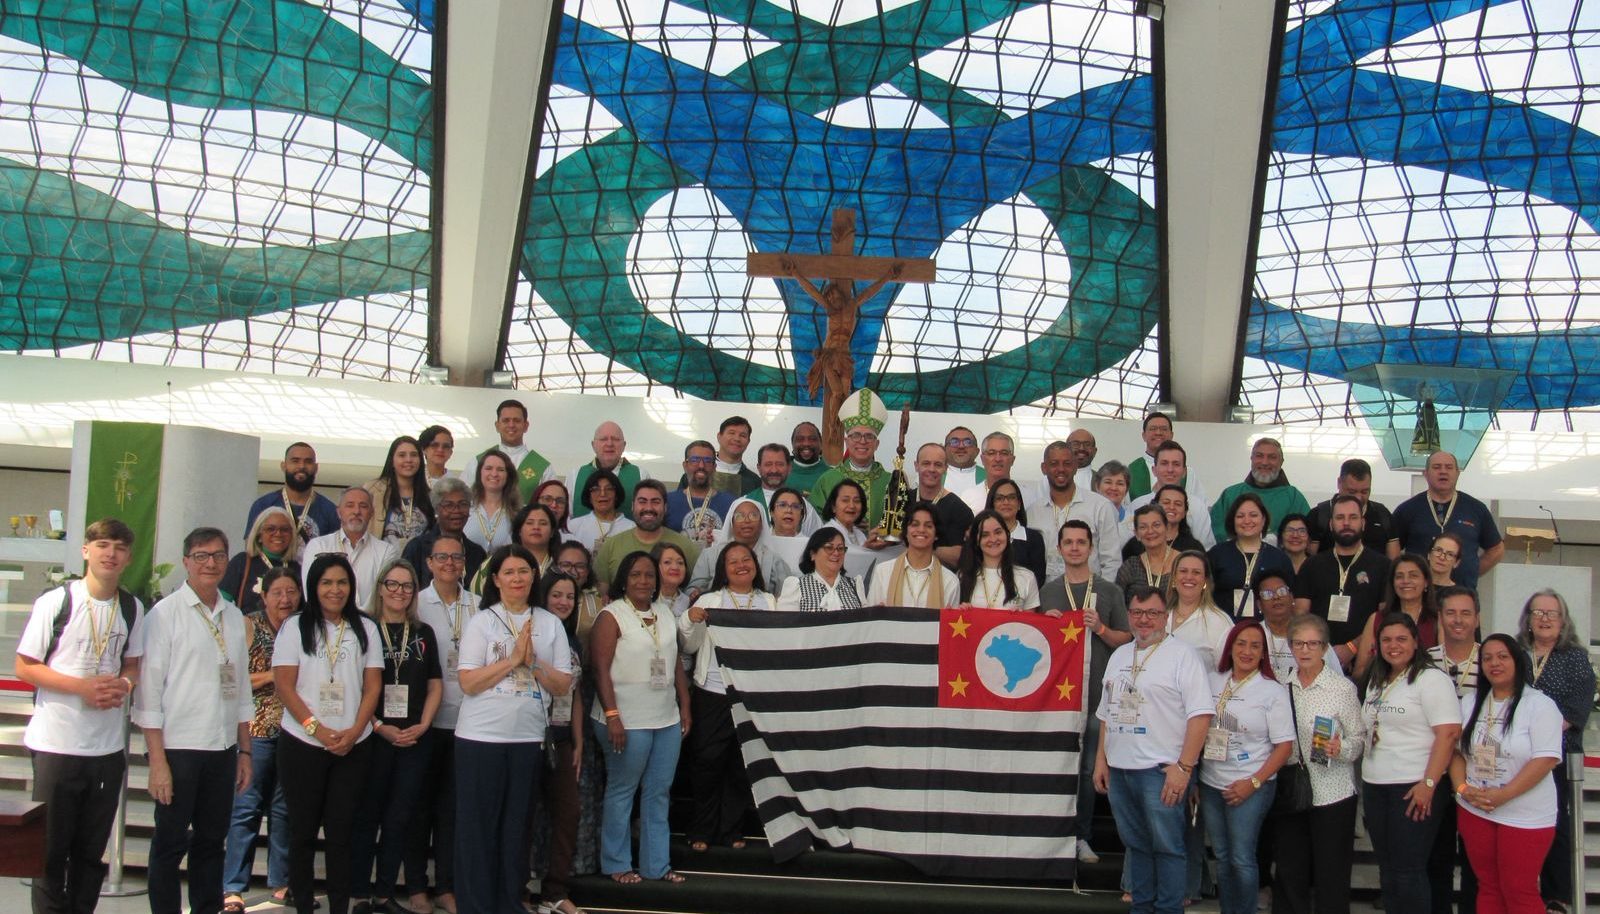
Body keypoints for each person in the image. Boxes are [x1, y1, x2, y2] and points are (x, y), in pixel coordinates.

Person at [16, 519, 145, 914]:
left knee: (91, 855)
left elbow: (133, 666)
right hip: (57, 744)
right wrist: (82, 688)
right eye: (103, 545)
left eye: (119, 547)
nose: (111, 553)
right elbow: (25, 666)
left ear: (128, 557)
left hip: (105, 749)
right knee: (51, 854)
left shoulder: (131, 606)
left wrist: (122, 687)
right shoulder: (57, 601)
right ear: (86, 551)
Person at [133, 527, 253, 914]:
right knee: (169, 844)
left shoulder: (233, 616)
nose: (211, 563)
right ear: (186, 561)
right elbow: (148, 692)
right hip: (178, 749)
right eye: (201, 555)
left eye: (218, 555)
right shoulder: (164, 616)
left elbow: (243, 689)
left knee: (211, 842)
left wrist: (245, 750)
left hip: (221, 748)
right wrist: (157, 762)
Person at [453, 545, 573, 914]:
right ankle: (475, 906)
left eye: (524, 571)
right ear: (496, 580)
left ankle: (510, 903)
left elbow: (563, 684)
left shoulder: (549, 623)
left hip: (527, 737)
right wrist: (512, 661)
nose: (518, 578)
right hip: (480, 737)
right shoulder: (482, 621)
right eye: (509, 572)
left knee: (517, 825)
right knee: (478, 826)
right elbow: (469, 682)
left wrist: (533, 662)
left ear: (534, 576)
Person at [273, 554, 384, 914]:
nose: (335, 590)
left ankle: (340, 905)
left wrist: (354, 731)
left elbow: (373, 687)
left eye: (342, 583)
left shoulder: (365, 628)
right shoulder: (294, 627)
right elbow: (285, 686)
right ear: (314, 587)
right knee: (302, 831)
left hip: (353, 744)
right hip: (303, 743)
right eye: (326, 583)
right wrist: (316, 729)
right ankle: (303, 903)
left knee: (341, 832)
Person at [1093, 585, 1214, 914]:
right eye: (1137, 613)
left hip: (1159, 771)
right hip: (1120, 770)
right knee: (1137, 846)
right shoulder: (1120, 655)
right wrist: (1101, 762)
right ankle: (1142, 909)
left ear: (1165, 617)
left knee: (1168, 849)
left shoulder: (1183, 656)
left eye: (1152, 613)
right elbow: (1106, 714)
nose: (1144, 620)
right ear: (1129, 614)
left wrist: (1184, 769)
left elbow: (1200, 716)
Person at [590, 551, 692, 885]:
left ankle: (656, 866)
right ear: (623, 578)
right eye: (635, 574)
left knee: (659, 792)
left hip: (665, 718)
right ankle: (617, 863)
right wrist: (612, 715)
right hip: (625, 719)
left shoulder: (664, 612)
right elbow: (600, 668)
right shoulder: (612, 615)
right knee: (623, 790)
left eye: (649, 575)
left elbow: (675, 662)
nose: (643, 581)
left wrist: (685, 707)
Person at [349, 560, 442, 914]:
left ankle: (384, 893)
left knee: (400, 816)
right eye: (393, 584)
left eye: (407, 586)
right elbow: (355, 685)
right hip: (373, 735)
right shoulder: (363, 628)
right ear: (380, 586)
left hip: (415, 737)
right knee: (367, 814)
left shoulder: (423, 632)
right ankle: (359, 892)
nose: (399, 591)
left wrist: (425, 723)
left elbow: (435, 683)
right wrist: (376, 725)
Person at [1450, 634, 1564, 914]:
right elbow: (1456, 753)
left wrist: (1504, 795)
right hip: (1476, 809)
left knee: (1519, 889)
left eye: (1502, 656)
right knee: (1488, 886)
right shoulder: (1471, 701)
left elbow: (1546, 759)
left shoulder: (1539, 704)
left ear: (1517, 660)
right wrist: (1462, 789)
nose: (1494, 663)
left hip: (1525, 814)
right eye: (1487, 658)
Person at [1039, 519, 1129, 864]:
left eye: (1081, 542)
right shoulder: (1048, 591)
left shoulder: (1109, 591)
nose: (1075, 548)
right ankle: (1053, 835)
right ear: (1059, 549)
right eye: (1069, 542)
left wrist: (1101, 628)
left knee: (1090, 767)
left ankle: (1082, 835)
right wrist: (1046, 624)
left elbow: (1126, 638)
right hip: (1057, 699)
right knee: (1057, 766)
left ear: (1091, 548)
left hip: (1097, 697)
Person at [1361, 612, 1463, 914]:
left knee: (1409, 870)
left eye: (1401, 639)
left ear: (1416, 642)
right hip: (1376, 784)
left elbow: (1448, 734)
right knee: (1389, 870)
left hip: (1414, 785)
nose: (1394, 645)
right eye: (1387, 639)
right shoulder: (1378, 679)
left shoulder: (1431, 679)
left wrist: (1429, 783)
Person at [679, 543, 775, 850]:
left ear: (756, 565)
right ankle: (701, 829)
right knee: (708, 760)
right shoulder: (709, 599)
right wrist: (690, 620)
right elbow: (689, 647)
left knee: (740, 762)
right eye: (733, 561)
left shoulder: (771, 602)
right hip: (714, 691)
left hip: (754, 694)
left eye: (746, 559)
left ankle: (731, 829)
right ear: (723, 568)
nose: (741, 565)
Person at [1273, 613, 1366, 914]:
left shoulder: (1342, 689)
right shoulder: (1280, 686)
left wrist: (1341, 748)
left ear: (1325, 648)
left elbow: (1359, 741)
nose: (1305, 650)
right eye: (1298, 643)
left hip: (1333, 792)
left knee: (1332, 874)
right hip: (1292, 791)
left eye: (1313, 643)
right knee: (1290, 870)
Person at [407, 533, 480, 914]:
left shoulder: (481, 607)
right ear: (430, 563)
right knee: (419, 807)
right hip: (424, 721)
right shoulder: (415, 603)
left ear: (464, 562)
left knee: (453, 809)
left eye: (456, 557)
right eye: (442, 557)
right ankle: (417, 885)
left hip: (467, 722)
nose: (450, 563)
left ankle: (447, 886)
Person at [1200, 621, 1294, 914]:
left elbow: (1285, 747)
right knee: (1224, 856)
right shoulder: (1213, 681)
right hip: (1211, 782)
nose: (1247, 651)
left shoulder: (1271, 691)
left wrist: (1253, 783)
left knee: (1241, 858)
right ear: (1230, 646)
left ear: (1264, 653)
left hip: (1252, 784)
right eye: (1241, 643)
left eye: (1255, 645)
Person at [223, 567, 300, 911]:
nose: (285, 599)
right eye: (278, 593)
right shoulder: (247, 625)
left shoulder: (303, 627)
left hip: (295, 731)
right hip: (256, 731)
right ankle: (233, 888)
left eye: (291, 592)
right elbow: (231, 678)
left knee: (285, 811)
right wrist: (277, 675)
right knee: (246, 808)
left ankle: (282, 882)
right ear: (264, 596)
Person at [1518, 589, 1596, 914]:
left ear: (1563, 620)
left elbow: (1577, 710)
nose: (1545, 618)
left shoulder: (1575, 657)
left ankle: (1556, 897)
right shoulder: (1517, 654)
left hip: (1556, 756)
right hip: (1517, 754)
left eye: (1552, 613)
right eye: (1538, 613)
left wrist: (1540, 736)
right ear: (1528, 619)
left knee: (1554, 825)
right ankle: (1519, 890)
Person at [530, 572, 587, 914]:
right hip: (531, 733)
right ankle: (519, 889)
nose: (564, 602)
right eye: (557, 595)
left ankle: (555, 891)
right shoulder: (534, 634)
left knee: (569, 811)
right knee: (522, 813)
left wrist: (578, 742)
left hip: (563, 738)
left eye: (570, 596)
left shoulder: (573, 641)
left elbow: (575, 693)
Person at [1426, 585, 1484, 914]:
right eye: (1450, 613)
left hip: (1478, 775)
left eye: (1465, 613)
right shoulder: (1425, 660)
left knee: (1477, 863)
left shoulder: (1491, 659)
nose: (1457, 620)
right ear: (1440, 618)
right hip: (1435, 771)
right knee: (1438, 858)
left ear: (1477, 618)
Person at [1293, 494, 1389, 669]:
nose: (1346, 523)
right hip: (1317, 660)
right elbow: (1301, 616)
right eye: (1340, 517)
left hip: (1366, 662)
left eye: (1353, 517)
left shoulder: (1383, 566)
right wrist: (1323, 652)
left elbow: (1384, 618)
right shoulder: (1312, 565)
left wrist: (1352, 647)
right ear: (1331, 524)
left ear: (1363, 523)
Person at [1390, 451, 1504, 590]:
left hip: (1462, 595)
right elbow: (1392, 549)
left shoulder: (1476, 509)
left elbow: (1497, 549)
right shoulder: (1407, 509)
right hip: (1419, 596)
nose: (1443, 471)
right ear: (1425, 473)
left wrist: (1471, 571)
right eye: (1437, 467)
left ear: (1457, 473)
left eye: (1449, 467)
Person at [1026, 440, 1121, 582]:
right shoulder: (1033, 512)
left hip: (1090, 596)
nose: (1061, 469)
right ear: (1044, 468)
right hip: (1048, 596)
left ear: (1076, 467)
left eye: (1067, 463)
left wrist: (1102, 596)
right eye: (1054, 464)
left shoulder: (1100, 507)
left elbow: (1112, 561)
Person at [301, 487, 401, 612]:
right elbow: (309, 590)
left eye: (363, 506)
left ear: (371, 513)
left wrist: (358, 621)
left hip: (369, 625)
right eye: (350, 506)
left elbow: (383, 594)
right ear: (338, 512)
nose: (356, 511)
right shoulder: (318, 546)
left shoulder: (386, 551)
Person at [594, 481, 700, 593]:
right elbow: (602, 595)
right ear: (632, 506)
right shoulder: (611, 546)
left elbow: (695, 591)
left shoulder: (686, 547)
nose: (648, 508)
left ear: (665, 507)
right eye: (642, 502)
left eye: (655, 502)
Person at [810, 389, 893, 529]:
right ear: (847, 442)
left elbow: (902, 520)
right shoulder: (828, 479)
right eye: (856, 435)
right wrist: (843, 525)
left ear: (876, 444)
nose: (862, 441)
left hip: (881, 550)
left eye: (869, 436)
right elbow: (813, 520)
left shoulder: (890, 482)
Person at [247, 442, 342, 559]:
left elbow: (334, 554)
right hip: (268, 574)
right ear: (283, 465)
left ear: (316, 468)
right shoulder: (263, 505)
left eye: (308, 461)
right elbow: (251, 548)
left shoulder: (329, 510)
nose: (302, 466)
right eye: (295, 461)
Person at [686, 499, 796, 598]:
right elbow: (693, 589)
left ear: (762, 524)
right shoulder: (709, 555)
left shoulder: (774, 560)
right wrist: (694, 593)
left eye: (753, 515)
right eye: (739, 516)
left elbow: (788, 596)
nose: (747, 521)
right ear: (731, 523)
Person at [1353, 553, 1439, 679]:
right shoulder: (1376, 619)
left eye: (1413, 575)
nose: (1405, 581)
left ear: (1426, 582)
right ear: (1393, 583)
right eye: (1399, 576)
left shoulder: (1437, 620)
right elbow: (1358, 672)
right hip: (1384, 691)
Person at [1209, 438, 1311, 545]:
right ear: (1251, 458)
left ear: (1281, 462)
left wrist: (1275, 541)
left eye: (1272, 457)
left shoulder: (1294, 497)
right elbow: (1215, 529)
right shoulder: (1230, 494)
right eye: (1259, 456)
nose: (1265, 462)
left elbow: (1306, 531)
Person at [1208, 493, 1294, 618]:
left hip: (1266, 629)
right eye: (1240, 516)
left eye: (1253, 515)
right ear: (1233, 520)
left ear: (1263, 519)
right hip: (1222, 627)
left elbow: (1290, 597)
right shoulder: (1217, 554)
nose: (1247, 521)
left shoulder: (1279, 558)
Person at [866, 503, 960, 607]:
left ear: (936, 534)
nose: (921, 530)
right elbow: (872, 619)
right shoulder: (883, 572)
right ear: (905, 532)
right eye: (915, 524)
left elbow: (948, 622)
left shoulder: (950, 581)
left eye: (928, 526)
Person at [402, 477, 487, 590]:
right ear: (437, 509)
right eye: (449, 505)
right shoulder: (417, 548)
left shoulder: (477, 553)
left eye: (463, 504)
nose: (456, 510)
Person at [1129, 442, 1215, 549]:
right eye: (1164, 463)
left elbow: (1206, 549)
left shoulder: (1197, 506)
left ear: (1184, 472)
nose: (1170, 470)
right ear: (1154, 470)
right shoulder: (1137, 505)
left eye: (1176, 464)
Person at [462, 400, 550, 502]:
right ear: (497, 426)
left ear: (526, 426)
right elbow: (465, 499)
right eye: (506, 420)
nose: (511, 425)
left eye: (516, 420)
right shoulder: (477, 462)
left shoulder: (543, 467)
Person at [557, 421, 647, 517]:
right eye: (603, 439)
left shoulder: (641, 475)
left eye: (615, 439)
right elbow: (565, 518)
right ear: (593, 445)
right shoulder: (575, 476)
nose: (609, 443)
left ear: (624, 445)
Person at [221, 506, 301, 614]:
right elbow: (221, 604)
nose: (278, 534)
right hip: (248, 629)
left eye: (284, 529)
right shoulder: (242, 562)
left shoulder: (297, 568)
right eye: (270, 529)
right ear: (259, 534)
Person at [1255, 569, 1334, 678]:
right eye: (1267, 594)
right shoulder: (1253, 634)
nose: (1276, 597)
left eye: (1282, 591)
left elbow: (1335, 677)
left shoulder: (1313, 635)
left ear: (1292, 597)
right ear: (1259, 605)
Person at [955, 509, 1041, 610]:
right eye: (985, 535)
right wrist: (960, 611)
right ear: (976, 541)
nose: (993, 539)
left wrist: (1022, 617)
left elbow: (1032, 623)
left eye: (998, 532)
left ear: (1007, 534)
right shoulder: (962, 577)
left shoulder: (1027, 577)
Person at [904, 443, 973, 567]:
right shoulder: (903, 500)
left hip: (942, 581)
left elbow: (960, 556)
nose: (931, 469)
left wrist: (920, 545)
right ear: (916, 466)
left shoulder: (959, 509)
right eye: (926, 463)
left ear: (946, 468)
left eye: (938, 465)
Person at [1307, 458, 1395, 554]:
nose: (1358, 497)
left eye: (1364, 492)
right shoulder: (1319, 516)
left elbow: (1394, 563)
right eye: (1352, 492)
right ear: (1339, 483)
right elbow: (1309, 561)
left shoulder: (1382, 514)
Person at [1165, 550, 1233, 671]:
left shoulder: (1219, 622)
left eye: (1196, 572)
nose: (1189, 577)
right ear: (1174, 578)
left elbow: (1228, 672)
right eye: (1183, 571)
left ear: (1205, 582)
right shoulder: (1159, 615)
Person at [364, 436, 435, 544]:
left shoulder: (431, 496)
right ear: (392, 461)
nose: (408, 460)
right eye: (402, 455)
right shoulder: (373, 490)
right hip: (382, 559)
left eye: (414, 455)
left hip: (418, 559)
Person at [776, 528, 866, 611]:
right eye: (829, 548)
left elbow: (866, 623)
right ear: (813, 554)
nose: (836, 553)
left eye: (840, 548)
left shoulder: (855, 585)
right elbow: (786, 624)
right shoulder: (797, 586)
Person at [668, 440, 738, 545]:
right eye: (695, 460)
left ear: (714, 467)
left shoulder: (731, 503)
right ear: (685, 465)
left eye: (707, 460)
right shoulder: (668, 501)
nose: (701, 465)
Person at [986, 478, 1047, 587]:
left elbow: (1038, 579)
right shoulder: (981, 537)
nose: (1006, 502)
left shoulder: (1034, 538)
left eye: (1011, 497)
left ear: (1019, 504)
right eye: (999, 498)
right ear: (992, 504)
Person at [566, 468, 636, 557]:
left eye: (609, 489)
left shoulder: (631, 528)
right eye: (596, 489)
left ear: (617, 495)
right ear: (589, 496)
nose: (602, 494)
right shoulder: (574, 526)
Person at [1115, 504, 1178, 600]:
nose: (1150, 531)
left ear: (1167, 528)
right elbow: (1117, 605)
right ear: (1136, 534)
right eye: (1143, 527)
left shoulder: (1183, 562)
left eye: (1156, 525)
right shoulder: (1130, 567)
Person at [464, 450, 518, 557]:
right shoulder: (465, 507)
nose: (494, 474)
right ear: (480, 473)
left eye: (500, 470)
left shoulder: (518, 513)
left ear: (508, 475)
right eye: (488, 468)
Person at [958, 431, 1017, 513]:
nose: (998, 459)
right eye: (991, 453)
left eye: (1004, 453)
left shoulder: (1024, 496)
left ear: (1012, 460)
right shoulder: (968, 497)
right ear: (982, 459)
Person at [1125, 411, 1175, 499]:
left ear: (1171, 435)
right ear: (1144, 436)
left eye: (1164, 429)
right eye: (1153, 429)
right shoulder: (1131, 471)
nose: (1158, 433)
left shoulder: (1187, 473)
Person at [707, 416, 760, 496]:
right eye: (732, 433)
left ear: (748, 441)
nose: (737, 439)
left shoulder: (754, 481)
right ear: (719, 436)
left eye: (742, 435)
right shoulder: (698, 472)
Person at [511, 503, 563, 577]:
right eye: (529, 523)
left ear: (552, 532)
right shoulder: (505, 562)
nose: (536, 527)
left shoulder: (561, 565)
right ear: (519, 530)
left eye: (543, 523)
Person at [821, 477, 873, 548]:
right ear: (833, 507)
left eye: (857, 501)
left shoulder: (859, 534)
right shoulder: (826, 534)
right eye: (845, 500)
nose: (852, 506)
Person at [786, 421, 828, 496]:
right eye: (800, 439)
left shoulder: (832, 475)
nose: (806, 443)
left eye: (812, 439)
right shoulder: (781, 474)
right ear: (792, 443)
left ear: (821, 443)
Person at [942, 426, 984, 492]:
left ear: (977, 451)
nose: (961, 446)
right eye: (954, 442)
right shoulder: (935, 475)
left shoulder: (988, 477)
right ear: (944, 450)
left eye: (968, 442)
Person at [1097, 459, 1133, 527]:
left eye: (1120, 483)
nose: (1114, 488)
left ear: (1127, 489)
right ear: (1097, 486)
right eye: (1108, 482)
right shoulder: (1087, 518)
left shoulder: (1134, 523)